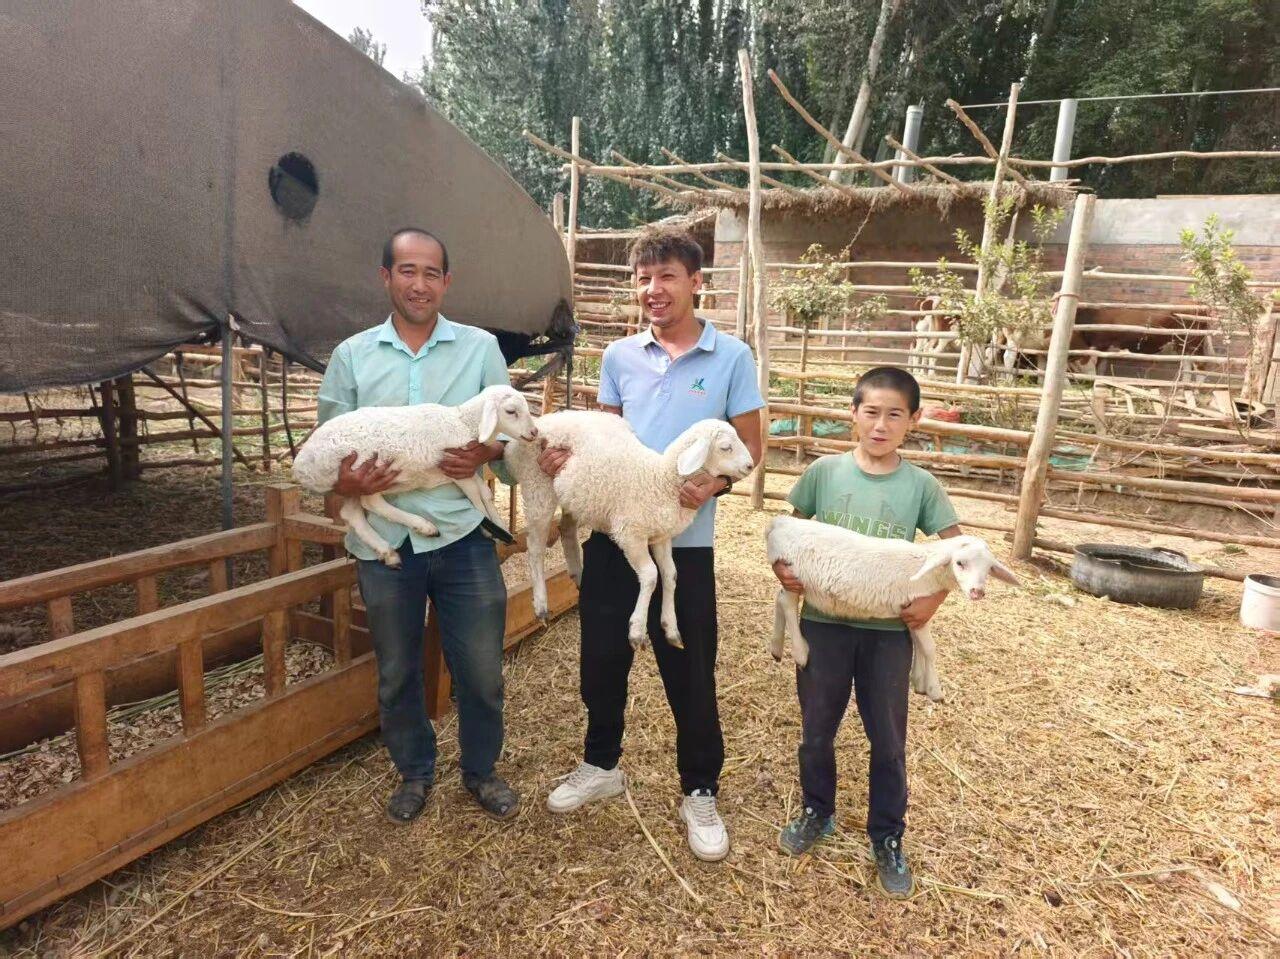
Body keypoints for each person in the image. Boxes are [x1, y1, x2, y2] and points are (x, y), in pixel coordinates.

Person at [540, 227, 764, 862]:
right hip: (617, 531)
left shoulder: (731, 357)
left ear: (696, 282)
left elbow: (751, 447)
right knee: (601, 656)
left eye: (667, 276)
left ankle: (700, 789)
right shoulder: (619, 357)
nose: (653, 289)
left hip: (686, 541)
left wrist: (712, 485)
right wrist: (565, 458)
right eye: (643, 279)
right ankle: (601, 763)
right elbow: (604, 439)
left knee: (689, 665)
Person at [316, 228, 519, 824]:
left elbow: (509, 441)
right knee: (397, 669)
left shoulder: (480, 349)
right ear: (386, 277)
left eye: (432, 273)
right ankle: (414, 771)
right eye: (407, 270)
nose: (420, 284)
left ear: (446, 282)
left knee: (481, 668)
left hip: (462, 535)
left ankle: (480, 770)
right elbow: (327, 452)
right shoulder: (352, 357)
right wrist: (346, 483)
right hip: (386, 546)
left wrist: (486, 452)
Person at [771, 366, 961, 898]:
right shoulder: (824, 474)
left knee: (888, 739)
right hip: (823, 626)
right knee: (817, 728)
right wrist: (783, 571)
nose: (881, 425)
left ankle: (888, 834)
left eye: (894, 415)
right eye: (871, 412)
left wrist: (934, 598)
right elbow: (790, 532)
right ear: (852, 413)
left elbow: (958, 550)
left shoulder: (921, 486)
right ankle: (817, 810)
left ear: (914, 420)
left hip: (886, 632)